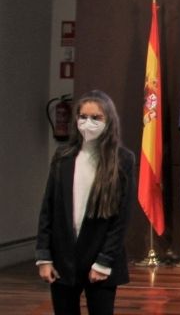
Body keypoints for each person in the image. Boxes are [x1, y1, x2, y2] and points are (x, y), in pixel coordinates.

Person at [36, 90, 135, 315]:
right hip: (62, 257)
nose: (88, 123)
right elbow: (48, 208)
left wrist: (104, 261)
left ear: (109, 121)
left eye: (96, 118)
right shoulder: (63, 156)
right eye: (83, 117)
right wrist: (44, 256)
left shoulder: (122, 160)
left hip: (100, 256)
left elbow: (121, 218)